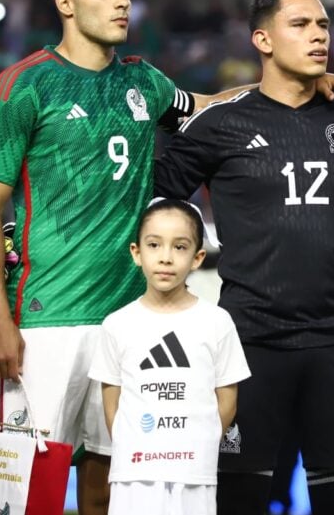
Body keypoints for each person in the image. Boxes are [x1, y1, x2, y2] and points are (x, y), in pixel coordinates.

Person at [0, 0, 334, 513]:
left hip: (128, 320)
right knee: (25, 489)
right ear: (66, 2)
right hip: (43, 319)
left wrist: (303, 85)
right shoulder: (23, 85)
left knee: (111, 483)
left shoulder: (144, 82)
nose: (123, 1)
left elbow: (209, 104)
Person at [153, 0, 334, 515]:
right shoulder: (222, 123)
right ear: (262, 39)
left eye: (324, 25)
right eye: (301, 25)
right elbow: (146, 197)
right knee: (239, 501)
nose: (318, 36)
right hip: (246, 341)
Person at [89, 198, 250, 515]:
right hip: (133, 474)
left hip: (194, 474)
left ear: (197, 257)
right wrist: (135, 447)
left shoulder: (217, 322)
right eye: (154, 245)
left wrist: (197, 444)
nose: (165, 257)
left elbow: (227, 401)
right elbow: (113, 405)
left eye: (179, 247)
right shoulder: (116, 325)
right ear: (136, 253)